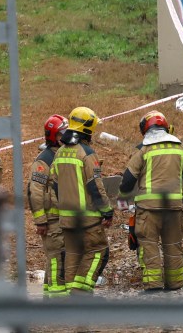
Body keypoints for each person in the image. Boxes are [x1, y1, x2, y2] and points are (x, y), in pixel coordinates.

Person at [119, 111, 183, 292]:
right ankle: (176, 286)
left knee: (149, 246)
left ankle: (154, 288)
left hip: (148, 210)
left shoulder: (144, 149)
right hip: (174, 209)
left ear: (145, 129)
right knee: (173, 247)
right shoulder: (180, 147)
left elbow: (128, 179)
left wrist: (122, 198)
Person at [50, 107, 113, 295]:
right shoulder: (87, 153)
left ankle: (72, 301)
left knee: (73, 256)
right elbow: (95, 185)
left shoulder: (60, 152)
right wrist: (107, 211)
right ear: (88, 128)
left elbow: (53, 185)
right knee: (99, 251)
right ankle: (81, 293)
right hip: (87, 219)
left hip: (67, 219)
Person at [27, 114, 69, 298]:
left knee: (58, 257)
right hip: (51, 221)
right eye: (62, 134)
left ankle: (48, 296)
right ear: (52, 136)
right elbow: (35, 191)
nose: (66, 137)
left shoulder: (64, 154)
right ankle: (56, 301)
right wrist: (40, 221)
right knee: (56, 259)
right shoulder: (44, 160)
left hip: (64, 218)